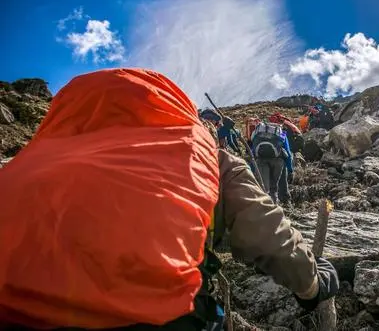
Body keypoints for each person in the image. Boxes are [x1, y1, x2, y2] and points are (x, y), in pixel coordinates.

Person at [0, 68, 338, 330]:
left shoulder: (24, 163)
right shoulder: (201, 151)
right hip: (159, 315)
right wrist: (310, 284)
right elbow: (265, 230)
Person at [250, 120, 294, 207]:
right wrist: (290, 169)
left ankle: (265, 207)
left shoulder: (258, 133)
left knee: (264, 188)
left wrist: (251, 169)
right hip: (278, 161)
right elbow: (288, 153)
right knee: (273, 187)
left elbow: (253, 151)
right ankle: (278, 206)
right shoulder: (281, 133)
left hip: (261, 160)